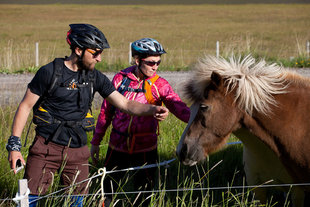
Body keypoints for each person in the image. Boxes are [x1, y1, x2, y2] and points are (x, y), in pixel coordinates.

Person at [6, 25, 169, 207]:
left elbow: (125, 104)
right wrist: (14, 146)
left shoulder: (95, 77)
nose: (99, 58)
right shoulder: (49, 72)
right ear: (78, 50)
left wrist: (152, 110)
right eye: (95, 53)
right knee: (29, 201)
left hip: (78, 152)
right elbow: (25, 106)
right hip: (45, 148)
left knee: (76, 203)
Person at [90, 38, 190, 206]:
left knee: (143, 197)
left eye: (158, 62)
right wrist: (96, 141)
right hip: (117, 146)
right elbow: (106, 112)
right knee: (106, 194)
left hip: (146, 149)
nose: (156, 67)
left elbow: (180, 108)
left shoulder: (160, 84)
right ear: (137, 60)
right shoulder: (120, 79)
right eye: (151, 62)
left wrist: (204, 121)